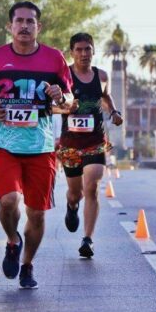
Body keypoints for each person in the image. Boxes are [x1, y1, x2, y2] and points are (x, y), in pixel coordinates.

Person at [0, 1, 73, 289]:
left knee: (37, 213)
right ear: (10, 26)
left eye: (31, 21)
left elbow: (69, 101)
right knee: (9, 200)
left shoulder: (54, 59)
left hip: (40, 147)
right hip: (3, 143)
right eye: (20, 21)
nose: (25, 26)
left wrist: (60, 97)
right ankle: (13, 240)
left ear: (38, 27)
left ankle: (27, 265)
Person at [55, 32, 123, 259]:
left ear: (94, 52)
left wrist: (113, 111)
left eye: (88, 50)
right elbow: (51, 107)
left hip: (95, 141)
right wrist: (66, 108)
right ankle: (72, 206)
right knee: (76, 192)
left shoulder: (102, 76)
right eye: (79, 50)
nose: (84, 54)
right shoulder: (63, 77)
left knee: (92, 187)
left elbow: (106, 96)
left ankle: (88, 239)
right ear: (72, 52)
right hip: (70, 144)